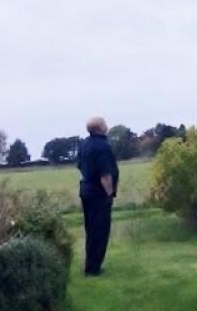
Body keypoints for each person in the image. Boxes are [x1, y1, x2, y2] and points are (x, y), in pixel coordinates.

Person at [77, 116, 119, 276]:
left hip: (86, 191)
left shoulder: (84, 144)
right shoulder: (102, 146)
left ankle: (91, 265)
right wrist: (109, 194)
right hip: (98, 193)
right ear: (100, 127)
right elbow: (105, 174)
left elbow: (80, 166)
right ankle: (93, 269)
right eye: (104, 122)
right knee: (100, 231)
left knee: (91, 230)